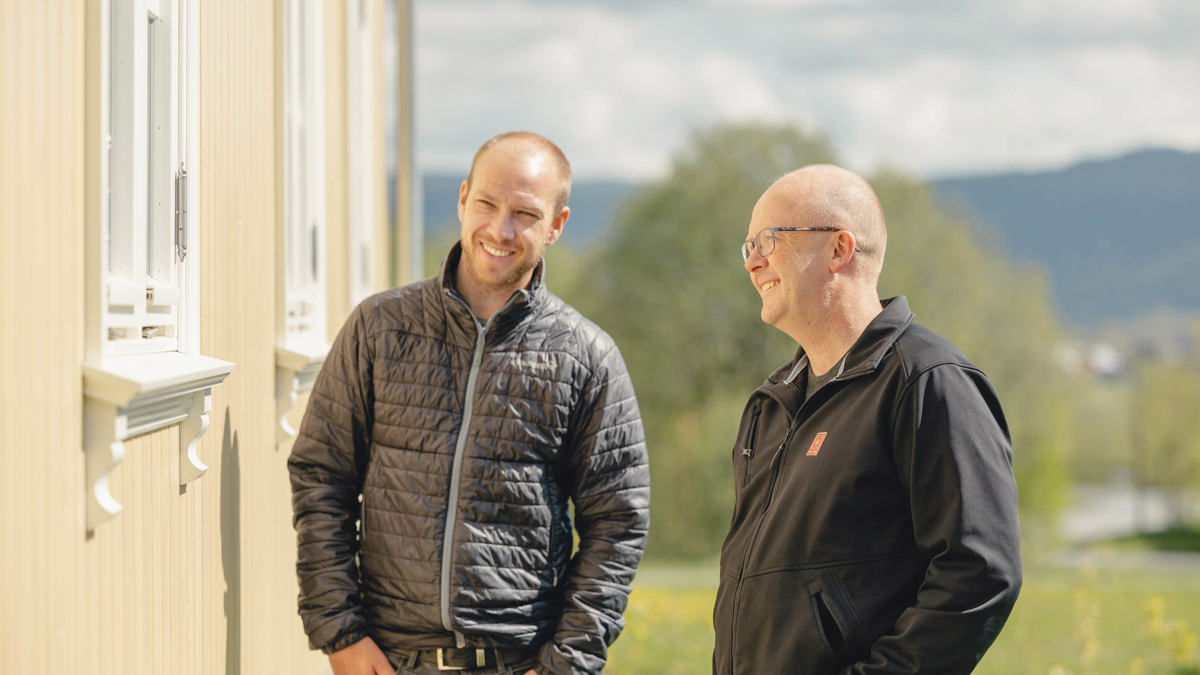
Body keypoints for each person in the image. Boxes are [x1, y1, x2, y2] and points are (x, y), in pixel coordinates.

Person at [289, 131, 650, 675]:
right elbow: (322, 478)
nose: (499, 230)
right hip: (387, 659)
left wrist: (565, 664)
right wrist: (340, 633)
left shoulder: (588, 358)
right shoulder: (379, 328)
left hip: (519, 660)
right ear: (462, 199)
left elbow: (617, 524)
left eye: (525, 213)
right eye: (486, 203)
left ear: (557, 225)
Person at [712, 165, 1022, 674]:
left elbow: (979, 572)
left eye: (768, 240)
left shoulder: (928, 382)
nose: (753, 262)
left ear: (840, 248)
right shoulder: (769, 404)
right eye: (747, 247)